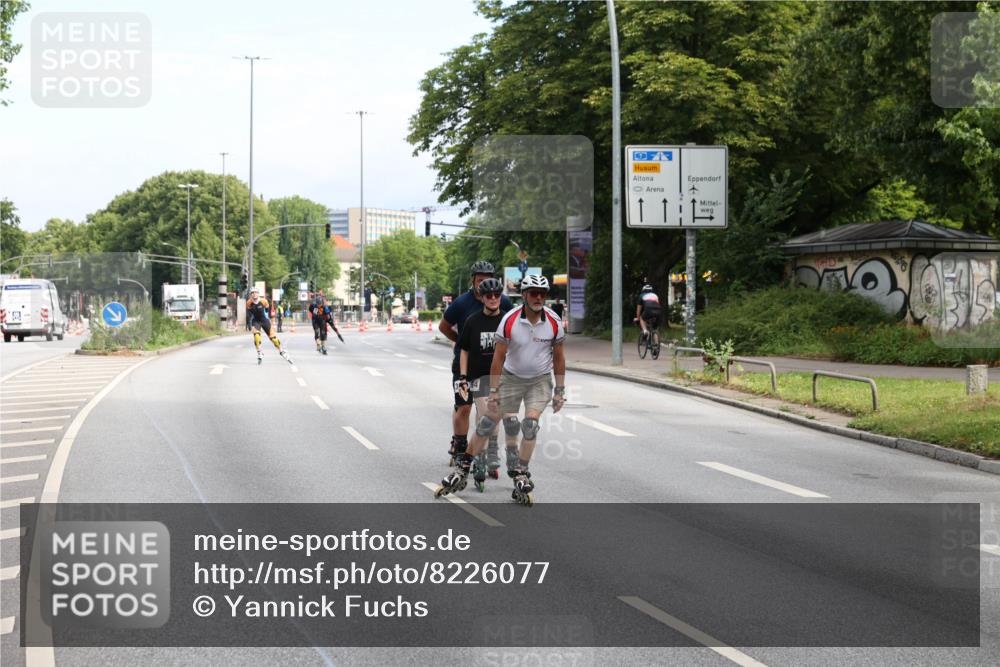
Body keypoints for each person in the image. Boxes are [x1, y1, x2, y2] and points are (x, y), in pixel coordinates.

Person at [488, 274, 566, 506]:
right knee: (509, 423)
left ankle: (522, 472)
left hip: (540, 379)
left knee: (530, 425)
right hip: (511, 377)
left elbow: (559, 358)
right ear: (524, 295)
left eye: (542, 293)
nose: (538, 297)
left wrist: (560, 390)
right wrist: (493, 389)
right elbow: (498, 357)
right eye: (533, 293)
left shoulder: (554, 321)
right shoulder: (509, 320)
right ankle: (505, 455)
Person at [434, 278, 510, 496]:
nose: (493, 298)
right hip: (477, 376)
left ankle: (488, 452)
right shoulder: (472, 320)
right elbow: (464, 350)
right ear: (482, 298)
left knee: (494, 420)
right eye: (488, 295)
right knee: (483, 415)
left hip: (499, 376)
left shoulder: (507, 320)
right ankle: (477, 458)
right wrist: (463, 377)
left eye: (497, 295)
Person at [246, 288, 292, 365]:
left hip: (264, 320)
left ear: (258, 293)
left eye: (256, 292)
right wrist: (249, 324)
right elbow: (249, 313)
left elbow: (267, 309)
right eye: (252, 293)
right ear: (250, 294)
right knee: (256, 336)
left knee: (274, 339)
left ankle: (281, 351)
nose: (254, 294)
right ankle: (259, 352)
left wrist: (271, 319)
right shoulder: (249, 303)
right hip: (256, 321)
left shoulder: (263, 301)